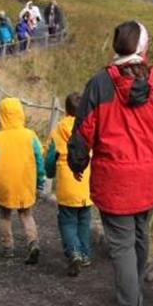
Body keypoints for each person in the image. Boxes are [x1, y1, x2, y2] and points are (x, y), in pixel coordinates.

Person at [68, 20, 153, 306]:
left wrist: (77, 162)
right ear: (143, 48)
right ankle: (131, 292)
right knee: (139, 236)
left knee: (122, 245)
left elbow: (83, 130)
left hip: (113, 180)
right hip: (149, 179)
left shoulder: (98, 85)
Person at [0, 97, 46, 262]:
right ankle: (33, 242)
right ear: (20, 114)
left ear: (2, 115)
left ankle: (8, 247)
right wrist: (40, 180)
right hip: (25, 182)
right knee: (26, 214)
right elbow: (39, 159)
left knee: (5, 215)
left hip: (5, 185)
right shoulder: (30, 135)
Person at [45, 92, 93, 276]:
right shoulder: (89, 128)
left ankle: (73, 252)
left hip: (67, 182)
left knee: (67, 221)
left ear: (66, 110)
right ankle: (85, 254)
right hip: (87, 183)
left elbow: (50, 157)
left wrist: (49, 173)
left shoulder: (58, 130)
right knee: (83, 220)